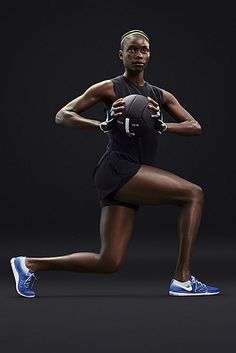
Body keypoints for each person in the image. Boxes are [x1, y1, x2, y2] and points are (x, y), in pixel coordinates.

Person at [10, 29, 220, 298]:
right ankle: (183, 280)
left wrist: (162, 126)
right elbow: (63, 115)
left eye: (144, 50)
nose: (138, 55)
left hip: (131, 174)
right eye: (132, 49)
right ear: (120, 55)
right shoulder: (108, 88)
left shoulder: (160, 95)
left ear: (150, 55)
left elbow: (195, 126)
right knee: (194, 194)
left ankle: (28, 264)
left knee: (108, 262)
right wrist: (103, 124)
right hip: (118, 168)